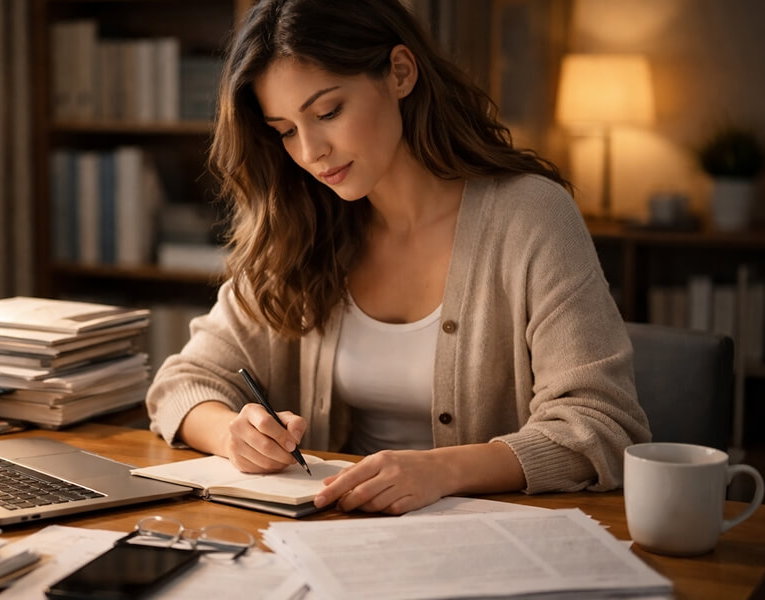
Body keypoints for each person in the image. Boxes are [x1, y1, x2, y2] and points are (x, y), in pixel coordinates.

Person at [146, 0, 651, 515]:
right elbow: (182, 385)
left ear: (400, 73)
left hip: (490, 545)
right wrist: (234, 436)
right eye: (286, 131)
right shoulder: (300, 228)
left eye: (327, 112)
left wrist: (443, 469)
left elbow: (601, 424)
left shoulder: (531, 218)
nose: (310, 151)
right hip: (334, 542)